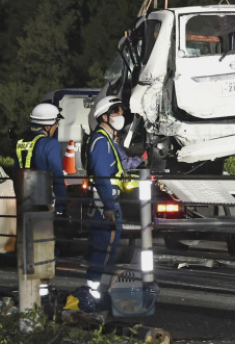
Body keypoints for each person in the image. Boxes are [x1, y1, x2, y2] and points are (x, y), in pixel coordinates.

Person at [69, 96, 128, 314]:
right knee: (104, 251)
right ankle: (93, 297)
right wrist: (110, 207)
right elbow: (102, 177)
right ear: (104, 116)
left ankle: (95, 293)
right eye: (116, 113)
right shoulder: (101, 142)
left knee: (103, 249)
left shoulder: (105, 139)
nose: (120, 117)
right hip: (106, 203)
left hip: (104, 201)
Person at [15, 102, 69, 303]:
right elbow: (56, 175)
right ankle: (43, 297)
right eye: (55, 123)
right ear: (48, 125)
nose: (56, 127)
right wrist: (62, 204)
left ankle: (28, 291)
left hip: (24, 198)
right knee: (44, 248)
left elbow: (15, 171)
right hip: (41, 198)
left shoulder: (21, 141)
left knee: (27, 247)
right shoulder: (50, 144)